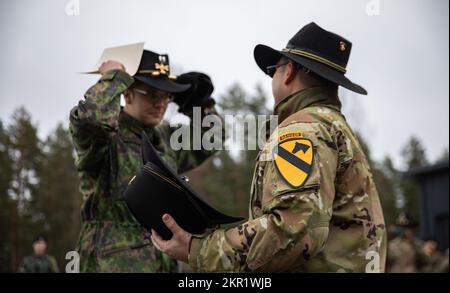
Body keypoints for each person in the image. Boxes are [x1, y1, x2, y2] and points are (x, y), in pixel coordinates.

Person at [151, 22, 387, 272]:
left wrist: (198, 249)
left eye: (274, 69)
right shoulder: (332, 126)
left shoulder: (301, 132)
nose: (272, 76)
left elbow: (292, 230)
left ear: (290, 72)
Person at [70, 48, 220, 272]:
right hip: (112, 263)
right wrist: (112, 78)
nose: (161, 104)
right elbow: (93, 120)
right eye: (152, 94)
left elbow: (212, 139)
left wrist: (201, 105)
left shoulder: (165, 140)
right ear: (127, 93)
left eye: (167, 97)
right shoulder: (106, 139)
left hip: (163, 261)